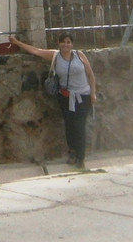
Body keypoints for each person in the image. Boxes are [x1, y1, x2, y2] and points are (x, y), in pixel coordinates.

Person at [8, 32, 97, 168]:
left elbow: (90, 74)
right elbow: (36, 51)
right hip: (65, 96)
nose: (66, 45)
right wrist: (17, 43)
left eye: (69, 42)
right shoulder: (55, 56)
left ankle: (80, 156)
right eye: (63, 42)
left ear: (72, 44)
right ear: (59, 43)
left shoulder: (80, 55)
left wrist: (93, 93)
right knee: (69, 125)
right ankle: (72, 152)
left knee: (79, 126)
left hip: (82, 96)